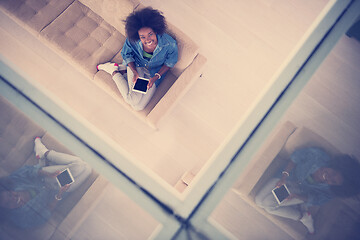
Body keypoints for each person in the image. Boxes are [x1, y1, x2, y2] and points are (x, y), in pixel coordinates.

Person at [255, 147, 360, 234]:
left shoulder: (330, 191)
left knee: (267, 204)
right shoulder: (317, 156)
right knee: (258, 201)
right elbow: (295, 158)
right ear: (338, 166)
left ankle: (303, 217)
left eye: (333, 181)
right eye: (333, 174)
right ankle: (301, 212)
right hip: (286, 177)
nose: (328, 178)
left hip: (299, 191)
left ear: (337, 186)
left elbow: (315, 199)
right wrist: (283, 177)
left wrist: (296, 196)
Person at [97, 7, 178, 111]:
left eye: (150, 34)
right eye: (143, 37)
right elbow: (127, 55)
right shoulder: (132, 39)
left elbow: (170, 63)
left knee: (138, 107)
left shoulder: (169, 43)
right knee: (132, 100)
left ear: (156, 31)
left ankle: (122, 71)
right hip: (137, 66)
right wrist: (134, 72)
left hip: (153, 74)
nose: (148, 40)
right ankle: (113, 71)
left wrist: (155, 77)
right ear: (138, 36)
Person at [0, 137, 92, 229]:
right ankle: (44, 157)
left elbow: (28, 170)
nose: (13, 198)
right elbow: (46, 213)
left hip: (46, 177)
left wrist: (50, 174)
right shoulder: (22, 220)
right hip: (56, 192)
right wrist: (60, 193)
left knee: (78, 165)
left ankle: (44, 153)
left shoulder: (13, 182)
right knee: (87, 169)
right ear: (6, 210)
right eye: (8, 203)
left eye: (9, 195)